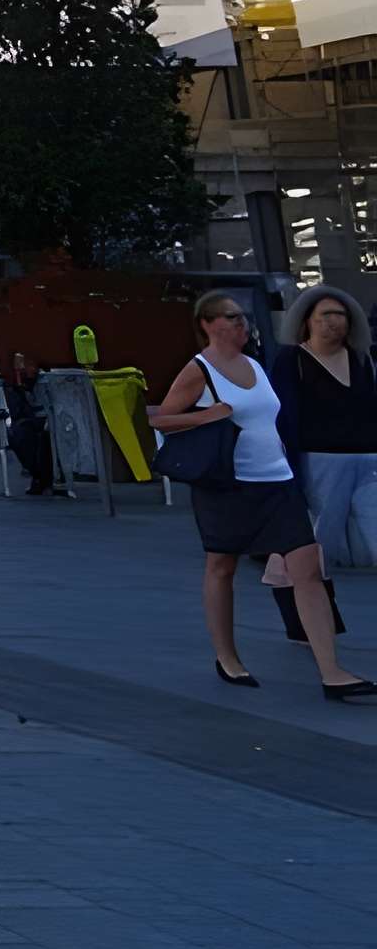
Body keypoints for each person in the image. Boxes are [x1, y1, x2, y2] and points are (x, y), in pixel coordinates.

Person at [149, 291, 370, 699]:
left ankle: (332, 671)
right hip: (229, 485)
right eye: (231, 317)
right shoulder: (200, 369)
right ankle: (227, 658)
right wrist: (206, 415)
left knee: (306, 568)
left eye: (242, 317)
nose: (241, 324)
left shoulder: (253, 364)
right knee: (222, 568)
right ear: (208, 325)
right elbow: (162, 419)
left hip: (278, 481)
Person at [275, 285, 377, 572]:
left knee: (371, 515)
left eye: (340, 314)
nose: (333, 320)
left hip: (367, 454)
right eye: (325, 314)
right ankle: (314, 567)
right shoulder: (292, 360)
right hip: (320, 454)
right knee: (327, 520)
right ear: (307, 320)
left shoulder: (362, 359)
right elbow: (283, 412)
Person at [3, 350, 56, 496]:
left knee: (45, 433)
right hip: (29, 412)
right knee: (19, 433)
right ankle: (39, 476)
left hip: (49, 412)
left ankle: (45, 478)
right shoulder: (16, 380)